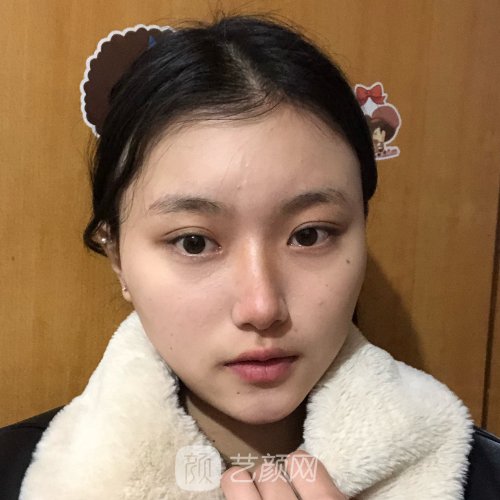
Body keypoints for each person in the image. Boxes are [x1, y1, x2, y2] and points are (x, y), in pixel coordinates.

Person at [1, 14, 499, 500]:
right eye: (194, 242)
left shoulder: (480, 475)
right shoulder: (16, 472)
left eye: (309, 235)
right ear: (117, 258)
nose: (262, 308)